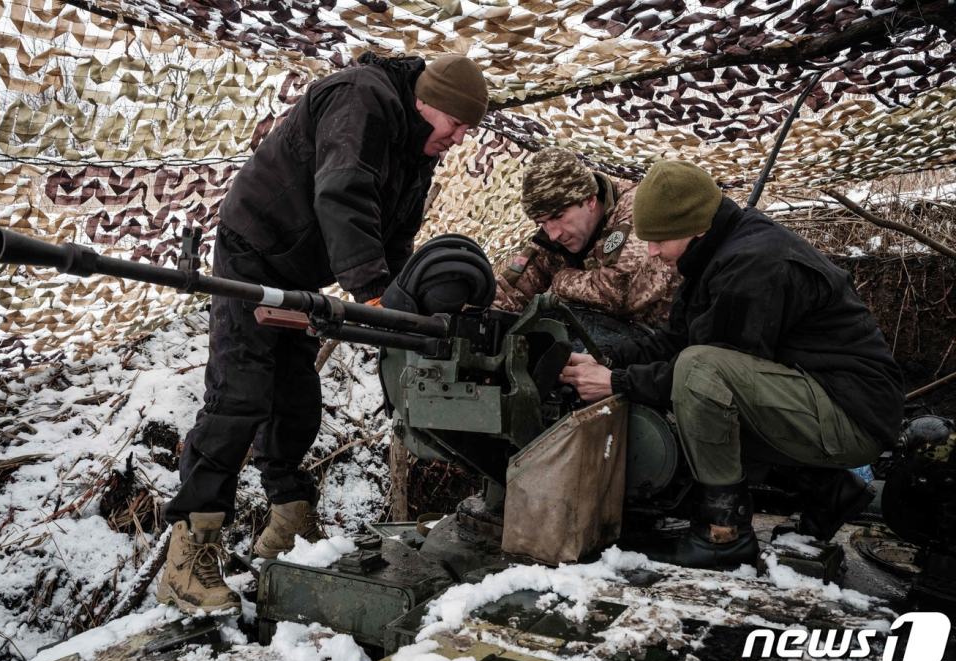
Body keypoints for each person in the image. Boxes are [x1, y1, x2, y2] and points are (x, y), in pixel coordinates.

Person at [156, 53, 490, 615]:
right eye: (455, 124)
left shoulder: (414, 143)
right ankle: (190, 553)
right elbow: (342, 191)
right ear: (427, 101)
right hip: (253, 252)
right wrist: (371, 289)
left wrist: (399, 309)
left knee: (295, 401)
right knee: (239, 395)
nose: (458, 138)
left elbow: (397, 233)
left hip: (301, 273)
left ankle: (286, 523)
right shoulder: (362, 98)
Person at [559, 160, 905, 570]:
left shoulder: (753, 262)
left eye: (660, 240)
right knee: (697, 392)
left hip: (851, 417)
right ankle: (828, 487)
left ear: (696, 227)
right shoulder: (719, 250)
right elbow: (679, 340)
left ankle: (724, 535)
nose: (652, 252)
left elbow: (703, 371)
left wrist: (617, 383)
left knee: (700, 381)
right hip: (818, 400)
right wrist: (605, 360)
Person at [492, 147, 680, 328]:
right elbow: (509, 293)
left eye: (558, 216)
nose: (553, 233)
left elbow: (621, 293)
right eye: (541, 222)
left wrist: (561, 282)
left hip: (667, 345)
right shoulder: (551, 237)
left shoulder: (636, 208)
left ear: (590, 199)